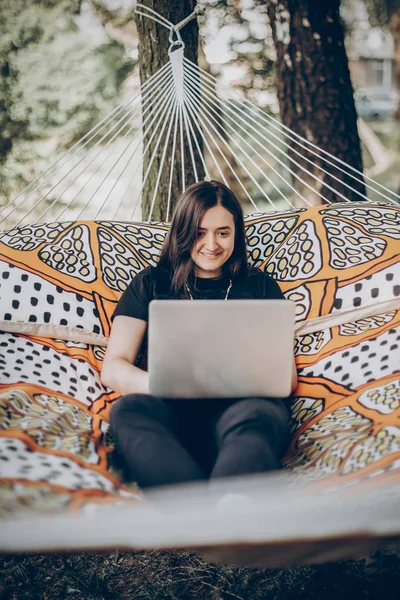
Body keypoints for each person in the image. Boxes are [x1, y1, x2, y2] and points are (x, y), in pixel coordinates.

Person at [101, 180, 297, 489]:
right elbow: (113, 366)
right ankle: (196, 511)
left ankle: (220, 512)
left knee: (259, 412)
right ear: (183, 231)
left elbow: (286, 378)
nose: (212, 244)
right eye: (200, 232)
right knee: (127, 409)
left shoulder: (259, 285)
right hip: (170, 413)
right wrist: (160, 385)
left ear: (237, 233)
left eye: (223, 232)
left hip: (242, 411)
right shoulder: (151, 283)